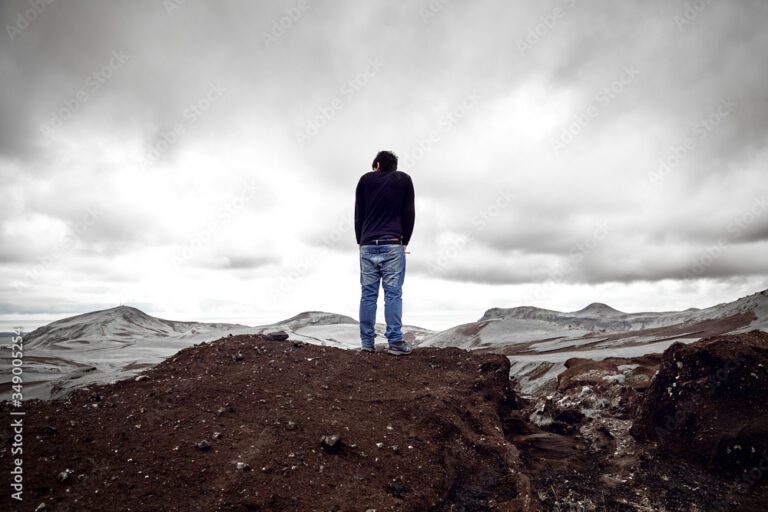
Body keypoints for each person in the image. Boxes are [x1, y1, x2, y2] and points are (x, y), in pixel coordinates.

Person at [354, 150, 415, 355]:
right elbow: (409, 213)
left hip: (367, 244)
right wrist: (405, 241)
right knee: (393, 294)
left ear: (377, 165)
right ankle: (395, 343)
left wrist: (360, 241)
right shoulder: (404, 180)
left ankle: (367, 344)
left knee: (368, 295)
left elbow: (359, 213)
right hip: (393, 244)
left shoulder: (365, 180)